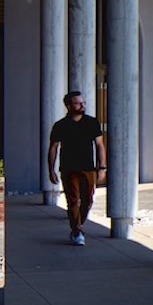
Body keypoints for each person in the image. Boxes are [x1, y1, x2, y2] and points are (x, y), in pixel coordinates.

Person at [47, 90, 105, 245]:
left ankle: (78, 225)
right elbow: (53, 147)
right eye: (78, 103)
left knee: (88, 200)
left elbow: (99, 145)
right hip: (69, 167)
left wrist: (102, 167)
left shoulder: (91, 123)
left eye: (83, 102)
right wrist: (51, 169)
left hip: (88, 167)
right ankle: (77, 231)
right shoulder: (61, 125)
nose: (82, 105)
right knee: (73, 201)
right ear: (68, 106)